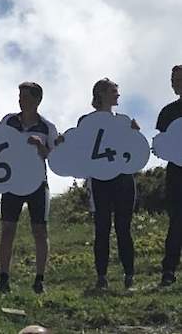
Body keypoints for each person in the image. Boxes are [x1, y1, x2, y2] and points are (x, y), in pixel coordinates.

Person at [68, 78, 141, 290]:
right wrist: (64, 143)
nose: (117, 95)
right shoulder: (86, 121)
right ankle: (101, 277)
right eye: (113, 91)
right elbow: (79, 147)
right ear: (101, 94)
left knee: (123, 228)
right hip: (100, 179)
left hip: (123, 179)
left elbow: (133, 150)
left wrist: (135, 133)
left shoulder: (124, 120)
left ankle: (129, 276)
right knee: (101, 228)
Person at [0, 82, 57, 294]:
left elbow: (55, 157)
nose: (20, 100)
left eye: (24, 96)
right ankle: (3, 278)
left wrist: (41, 147)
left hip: (37, 184)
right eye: (19, 96)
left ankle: (39, 279)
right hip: (11, 182)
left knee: (40, 230)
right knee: (7, 229)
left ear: (36, 100)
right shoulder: (8, 121)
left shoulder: (47, 127)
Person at [158, 65, 182, 287]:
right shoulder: (168, 112)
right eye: (173, 79)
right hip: (176, 172)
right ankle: (168, 271)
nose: (176, 83)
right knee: (176, 222)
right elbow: (161, 143)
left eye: (179, 79)